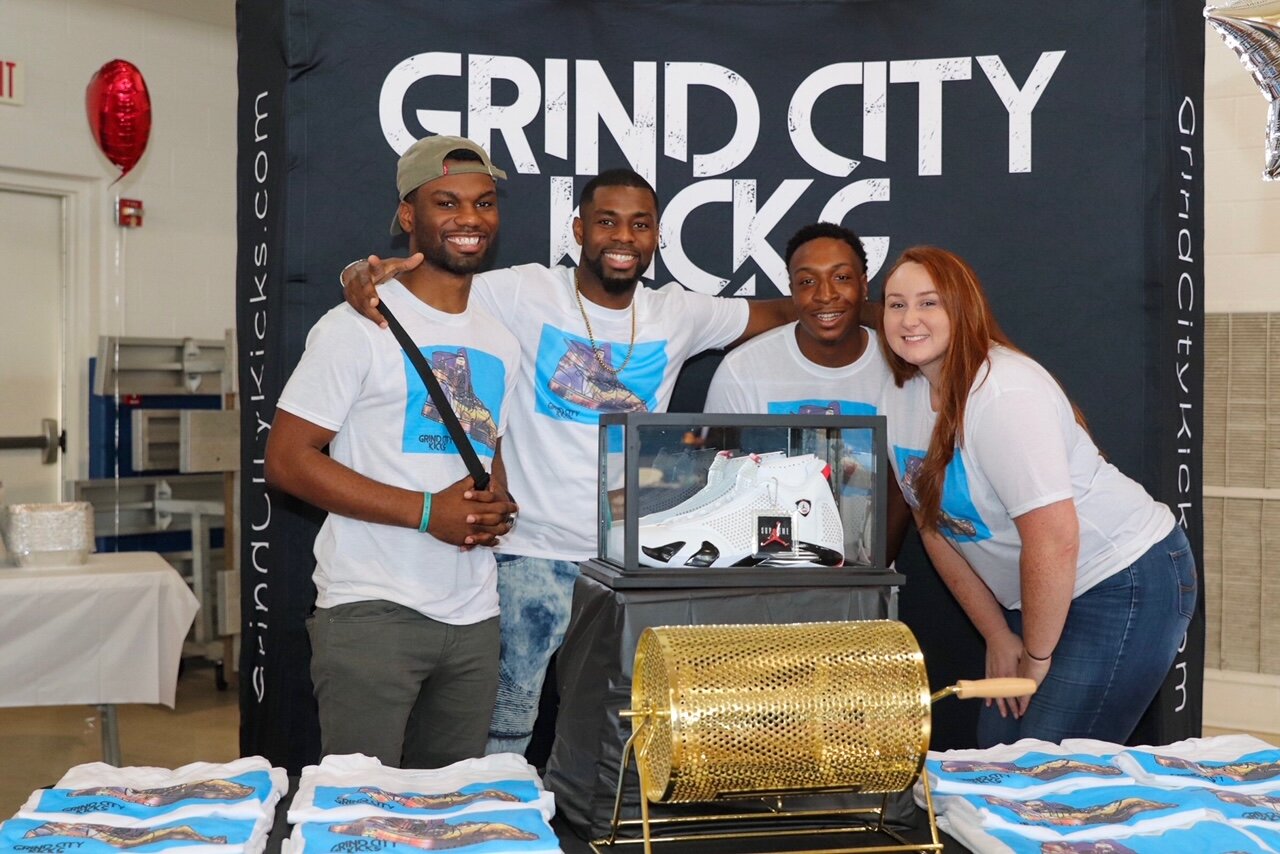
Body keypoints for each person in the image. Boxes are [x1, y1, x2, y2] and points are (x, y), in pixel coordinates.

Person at [341, 167, 798, 757]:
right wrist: (356, 273)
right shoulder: (526, 289)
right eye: (607, 221)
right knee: (502, 727)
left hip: (627, 567)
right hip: (527, 556)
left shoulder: (678, 313)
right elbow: (425, 279)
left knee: (622, 729)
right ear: (579, 229)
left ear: (657, 237)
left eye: (639, 224)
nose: (623, 237)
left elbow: (788, 313)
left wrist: (881, 315)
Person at [265, 136, 521, 768]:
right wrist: (428, 512)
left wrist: (497, 500)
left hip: (474, 616)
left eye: (484, 202)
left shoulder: (500, 337)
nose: (470, 218)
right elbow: (289, 459)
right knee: (360, 818)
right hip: (371, 609)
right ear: (410, 217)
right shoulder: (357, 323)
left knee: (451, 816)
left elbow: (487, 445)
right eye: (447, 202)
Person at [878, 245, 1196, 746]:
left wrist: (1038, 656)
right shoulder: (900, 393)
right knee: (996, 758)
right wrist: (1000, 635)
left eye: (928, 303)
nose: (909, 318)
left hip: (1121, 581)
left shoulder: (1004, 394)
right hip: (1039, 593)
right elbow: (932, 525)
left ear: (964, 308)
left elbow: (1054, 538)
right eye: (896, 304)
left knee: (1043, 768)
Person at [704, 222, 909, 563]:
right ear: (792, 290)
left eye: (841, 277)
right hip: (762, 574)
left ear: (864, 284)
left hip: (866, 575)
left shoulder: (901, 366)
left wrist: (867, 572)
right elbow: (717, 487)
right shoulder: (743, 369)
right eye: (807, 281)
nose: (825, 294)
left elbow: (907, 486)